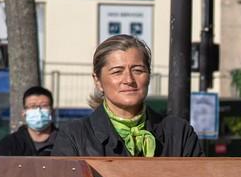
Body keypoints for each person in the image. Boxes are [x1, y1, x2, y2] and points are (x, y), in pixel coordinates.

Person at [53, 34, 202, 159]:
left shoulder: (179, 133)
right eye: (117, 72)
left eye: (138, 70)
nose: (129, 80)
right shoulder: (73, 136)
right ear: (97, 81)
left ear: (149, 76)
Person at [0, 85, 58, 157]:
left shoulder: (64, 142)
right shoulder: (9, 143)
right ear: (24, 112)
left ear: (52, 111)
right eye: (32, 106)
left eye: (44, 106)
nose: (38, 111)